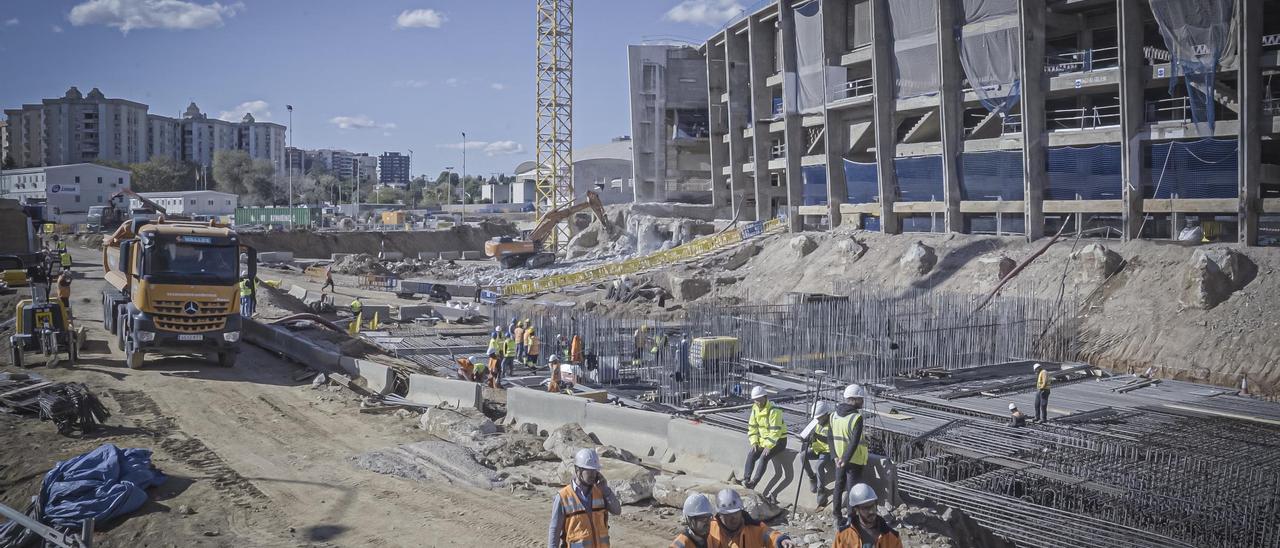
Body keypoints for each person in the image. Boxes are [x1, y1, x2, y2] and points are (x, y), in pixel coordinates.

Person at [547, 448, 619, 548]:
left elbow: (617, 510)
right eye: (589, 471)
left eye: (595, 471)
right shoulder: (563, 497)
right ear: (578, 471)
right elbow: (554, 529)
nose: (594, 475)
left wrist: (605, 489)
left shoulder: (600, 491)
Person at [828, 384, 869, 527]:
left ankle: (836, 517)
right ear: (852, 399)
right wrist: (845, 459)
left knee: (838, 487)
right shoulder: (856, 418)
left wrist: (835, 457)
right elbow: (854, 442)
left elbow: (830, 438)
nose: (862, 402)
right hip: (854, 461)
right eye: (860, 399)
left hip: (838, 459)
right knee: (853, 490)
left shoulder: (833, 415)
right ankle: (852, 519)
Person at [708, 489, 794, 548]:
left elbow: (769, 534)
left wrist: (781, 540)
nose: (733, 517)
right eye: (728, 515)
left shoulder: (753, 528)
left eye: (736, 512)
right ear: (720, 515)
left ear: (741, 511)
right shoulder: (709, 529)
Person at [742, 386, 787, 490]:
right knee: (752, 454)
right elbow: (752, 426)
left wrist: (769, 446)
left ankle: (753, 483)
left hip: (778, 441)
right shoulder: (755, 408)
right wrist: (754, 442)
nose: (757, 402)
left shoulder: (774, 410)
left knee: (764, 457)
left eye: (759, 399)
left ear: (765, 397)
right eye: (755, 400)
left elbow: (775, 431)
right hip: (763, 440)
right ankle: (746, 479)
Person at [832, 484, 902, 548]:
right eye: (866, 508)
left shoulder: (893, 537)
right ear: (856, 509)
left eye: (873, 506)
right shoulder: (843, 536)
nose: (871, 511)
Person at [801, 401, 835, 505]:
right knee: (802, 456)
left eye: (820, 417)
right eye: (816, 417)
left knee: (819, 466)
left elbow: (831, 440)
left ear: (826, 414)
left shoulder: (833, 423)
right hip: (817, 449)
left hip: (827, 451)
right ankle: (812, 477)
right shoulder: (815, 422)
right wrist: (807, 438)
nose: (818, 420)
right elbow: (810, 436)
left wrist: (817, 436)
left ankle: (821, 491)